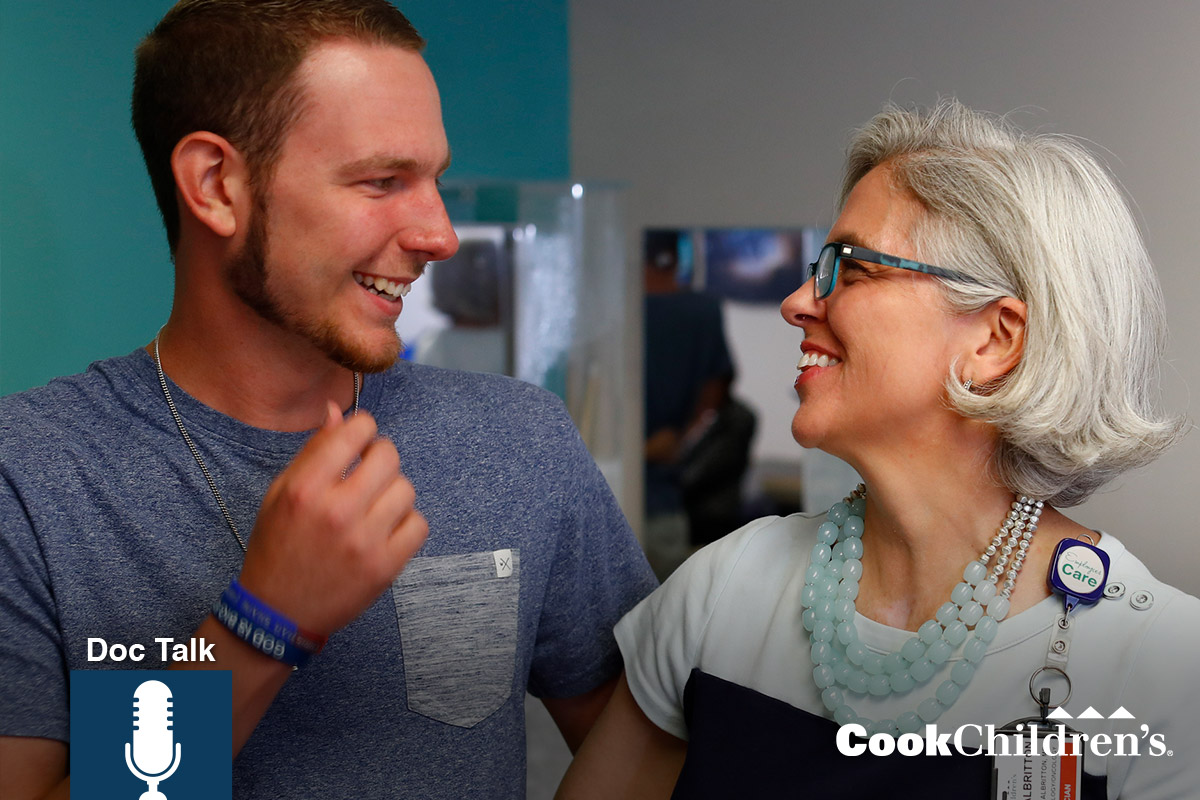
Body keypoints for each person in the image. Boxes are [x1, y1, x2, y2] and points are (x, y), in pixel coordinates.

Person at [0, 2, 656, 798]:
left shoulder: (521, 440)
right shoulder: (28, 476)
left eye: (433, 180)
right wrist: (263, 624)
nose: (441, 235)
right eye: (382, 181)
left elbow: (648, 765)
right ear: (215, 186)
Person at [556, 101, 1199, 798]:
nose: (797, 301)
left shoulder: (1161, 668)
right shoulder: (724, 592)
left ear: (995, 339)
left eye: (852, 268)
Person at [641, 230, 740, 577]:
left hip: (647, 496)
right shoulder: (702, 312)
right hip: (663, 501)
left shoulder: (615, 312)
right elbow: (714, 396)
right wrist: (678, 443)